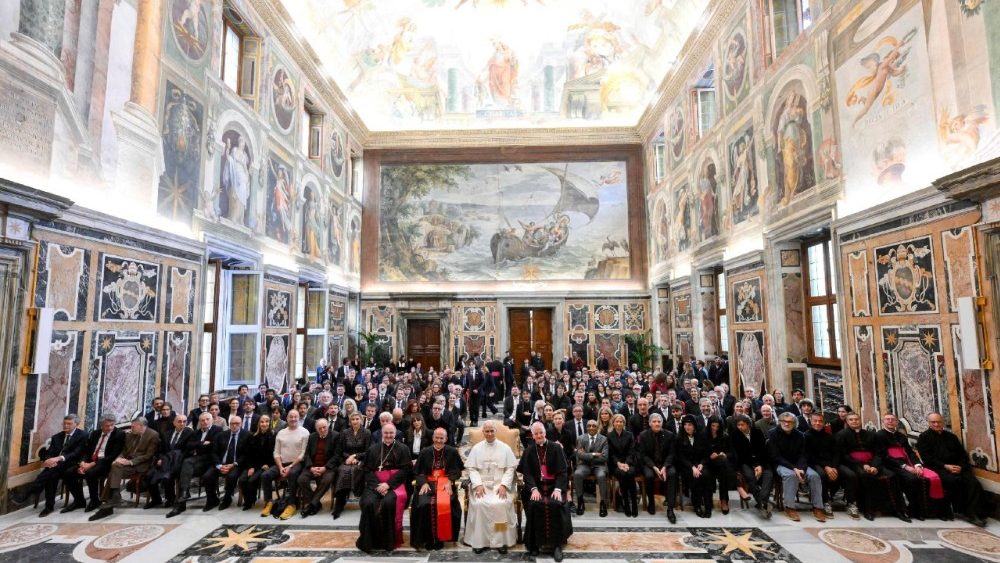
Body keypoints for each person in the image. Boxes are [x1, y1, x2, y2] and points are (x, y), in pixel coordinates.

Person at [917, 412, 987, 526]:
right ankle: (964, 511)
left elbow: (962, 455)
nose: (936, 424)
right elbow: (927, 458)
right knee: (953, 481)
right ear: (929, 423)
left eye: (938, 421)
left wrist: (960, 467)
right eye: (933, 422)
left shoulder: (951, 437)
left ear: (942, 422)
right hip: (938, 468)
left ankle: (976, 513)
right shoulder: (924, 437)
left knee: (973, 482)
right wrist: (945, 466)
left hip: (957, 467)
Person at [836, 412, 908, 522]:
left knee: (892, 476)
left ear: (860, 420)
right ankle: (868, 509)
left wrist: (875, 466)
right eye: (851, 420)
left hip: (873, 463)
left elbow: (878, 453)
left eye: (856, 419)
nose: (854, 421)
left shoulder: (870, 435)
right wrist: (861, 465)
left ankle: (898, 509)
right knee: (865, 476)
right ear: (847, 422)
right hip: (853, 464)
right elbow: (843, 455)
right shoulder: (841, 435)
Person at [519, 422, 572, 562]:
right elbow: (527, 474)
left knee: (556, 504)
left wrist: (558, 489)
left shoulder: (555, 448)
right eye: (536, 434)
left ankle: (557, 545)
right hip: (537, 486)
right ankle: (535, 544)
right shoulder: (529, 450)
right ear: (532, 435)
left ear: (545, 433)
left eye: (541, 432)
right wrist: (533, 489)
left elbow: (562, 472)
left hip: (554, 486)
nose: (539, 436)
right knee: (534, 504)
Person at [89, 417, 161, 521]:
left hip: (142, 465)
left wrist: (130, 462)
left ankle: (108, 502)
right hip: (127, 463)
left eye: (133, 426)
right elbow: (124, 450)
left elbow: (148, 455)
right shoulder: (131, 435)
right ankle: (114, 496)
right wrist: (119, 458)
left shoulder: (153, 435)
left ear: (141, 426)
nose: (131, 428)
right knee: (115, 466)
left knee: (114, 471)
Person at [356, 424, 412, 553]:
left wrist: (388, 484)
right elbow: (368, 470)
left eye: (391, 433)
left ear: (395, 434)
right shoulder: (373, 449)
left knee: (388, 503)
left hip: (394, 485)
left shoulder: (403, 449)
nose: (388, 435)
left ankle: (388, 541)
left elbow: (405, 470)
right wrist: (378, 486)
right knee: (368, 503)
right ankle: (370, 541)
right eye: (386, 433)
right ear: (382, 433)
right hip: (374, 484)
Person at [464, 420, 518, 554]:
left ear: (496, 431)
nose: (489, 434)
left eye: (491, 431)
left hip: (499, 486)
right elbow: (472, 468)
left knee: (500, 504)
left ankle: (501, 542)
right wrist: (477, 485)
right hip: (482, 486)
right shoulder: (476, 448)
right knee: (479, 504)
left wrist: (504, 485)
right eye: (486, 431)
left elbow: (510, 468)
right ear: (483, 432)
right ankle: (480, 541)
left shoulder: (505, 448)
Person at [17, 414, 87, 516]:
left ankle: (30, 493)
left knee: (51, 471)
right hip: (57, 466)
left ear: (76, 424)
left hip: (73, 464)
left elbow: (76, 453)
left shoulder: (83, 435)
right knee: (51, 474)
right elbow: (50, 452)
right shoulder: (57, 437)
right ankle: (48, 507)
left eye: (69, 424)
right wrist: (48, 460)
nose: (65, 426)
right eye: (64, 423)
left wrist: (58, 458)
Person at [410, 428, 464, 551]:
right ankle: (427, 538)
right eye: (437, 438)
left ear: (446, 439)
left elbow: (457, 471)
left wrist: (450, 481)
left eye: (441, 438)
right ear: (433, 438)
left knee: (445, 503)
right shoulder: (425, 452)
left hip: (445, 483)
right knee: (423, 504)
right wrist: (423, 483)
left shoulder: (452, 451)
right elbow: (418, 472)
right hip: (427, 484)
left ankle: (441, 538)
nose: (439, 440)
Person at [879, 413, 940, 521]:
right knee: (912, 479)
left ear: (897, 422)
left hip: (906, 463)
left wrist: (917, 465)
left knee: (922, 479)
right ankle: (905, 509)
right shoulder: (879, 435)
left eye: (893, 419)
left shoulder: (901, 436)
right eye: (887, 419)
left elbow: (910, 452)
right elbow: (884, 456)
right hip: (890, 464)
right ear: (883, 422)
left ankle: (919, 510)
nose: (890, 421)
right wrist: (905, 467)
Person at [768, 412, 825, 522]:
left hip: (798, 464)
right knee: (791, 476)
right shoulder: (772, 434)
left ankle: (817, 507)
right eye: (784, 421)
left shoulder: (800, 435)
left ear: (794, 423)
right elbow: (775, 456)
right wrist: (794, 468)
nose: (786, 423)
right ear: (779, 422)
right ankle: (790, 507)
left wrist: (801, 469)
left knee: (814, 476)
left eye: (790, 422)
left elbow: (803, 454)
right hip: (781, 464)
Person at [63, 414, 124, 513]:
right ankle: (79, 500)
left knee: (90, 473)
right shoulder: (95, 433)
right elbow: (87, 450)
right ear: (101, 425)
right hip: (90, 461)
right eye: (107, 425)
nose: (110, 428)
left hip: (105, 462)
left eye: (112, 425)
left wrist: (91, 464)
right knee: (68, 473)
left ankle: (95, 501)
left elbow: (113, 455)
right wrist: (83, 462)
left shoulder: (119, 434)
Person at [168, 412, 221, 517]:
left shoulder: (217, 430)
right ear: (199, 422)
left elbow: (213, 447)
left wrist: (198, 446)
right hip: (197, 462)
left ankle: (211, 500)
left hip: (211, 461)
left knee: (191, 465)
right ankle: (180, 504)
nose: (205, 422)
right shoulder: (195, 433)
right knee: (182, 471)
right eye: (202, 420)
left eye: (207, 419)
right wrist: (202, 443)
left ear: (212, 420)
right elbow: (189, 445)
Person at [261, 409, 310, 519]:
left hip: (297, 463)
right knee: (265, 475)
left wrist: (290, 466)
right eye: (290, 417)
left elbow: (303, 454)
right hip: (281, 464)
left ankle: (291, 504)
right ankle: (268, 502)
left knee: (292, 474)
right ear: (286, 418)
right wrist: (281, 467)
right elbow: (276, 452)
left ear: (299, 418)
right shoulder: (281, 432)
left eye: (295, 417)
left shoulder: (305, 432)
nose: (293, 419)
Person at [804, 412, 854, 519]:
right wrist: (827, 467)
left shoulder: (830, 437)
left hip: (832, 464)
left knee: (850, 475)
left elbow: (836, 453)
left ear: (824, 423)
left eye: (820, 421)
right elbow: (809, 456)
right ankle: (825, 502)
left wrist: (834, 467)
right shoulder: (806, 436)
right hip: (815, 463)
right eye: (815, 421)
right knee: (821, 475)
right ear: (810, 422)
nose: (818, 423)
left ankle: (850, 503)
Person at [202, 415, 250, 511]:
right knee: (207, 476)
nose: (235, 426)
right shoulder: (221, 435)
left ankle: (227, 498)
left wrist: (233, 464)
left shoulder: (247, 435)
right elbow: (214, 452)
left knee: (231, 477)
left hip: (236, 464)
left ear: (241, 424)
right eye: (232, 424)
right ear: (229, 424)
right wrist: (219, 465)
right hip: (220, 464)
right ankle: (212, 500)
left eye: (237, 424)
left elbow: (246, 454)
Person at [145, 413, 192, 509]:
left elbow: (188, 451)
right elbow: (160, 450)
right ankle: (156, 499)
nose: (182, 423)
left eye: (184, 422)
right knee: (149, 476)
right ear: (174, 423)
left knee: (167, 476)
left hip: (179, 462)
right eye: (179, 421)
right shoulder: (167, 434)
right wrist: (160, 459)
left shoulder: (189, 434)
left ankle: (170, 499)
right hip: (164, 461)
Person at [731, 414, 773, 519]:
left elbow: (763, 451)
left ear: (748, 425)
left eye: (742, 425)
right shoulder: (735, 435)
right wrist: (753, 466)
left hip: (760, 462)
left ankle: (762, 502)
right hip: (745, 462)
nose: (740, 427)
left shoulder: (757, 432)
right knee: (750, 476)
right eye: (738, 425)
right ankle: (762, 502)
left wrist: (759, 465)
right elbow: (738, 455)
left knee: (769, 475)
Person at [637, 413, 678, 522]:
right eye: (654, 422)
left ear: (662, 423)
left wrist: (664, 467)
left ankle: (670, 508)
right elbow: (643, 455)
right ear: (650, 423)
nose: (657, 424)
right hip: (650, 464)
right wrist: (654, 467)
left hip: (665, 464)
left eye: (659, 422)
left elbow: (671, 454)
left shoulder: (669, 435)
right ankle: (651, 502)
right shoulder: (643, 435)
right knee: (649, 476)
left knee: (672, 473)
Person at [297, 418, 341, 517]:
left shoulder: (336, 436)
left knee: (326, 480)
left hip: (328, 467)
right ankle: (316, 504)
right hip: (313, 466)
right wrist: (311, 467)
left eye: (324, 427)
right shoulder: (312, 436)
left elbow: (337, 455)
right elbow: (307, 454)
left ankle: (311, 505)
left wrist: (324, 468)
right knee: (301, 479)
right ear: (316, 429)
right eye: (319, 428)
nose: (322, 430)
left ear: (328, 426)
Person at [333, 412, 372, 518]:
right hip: (346, 460)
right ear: (350, 421)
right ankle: (340, 503)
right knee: (342, 471)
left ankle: (360, 498)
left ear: (361, 420)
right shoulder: (345, 432)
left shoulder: (367, 432)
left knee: (357, 470)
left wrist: (355, 456)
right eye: (353, 419)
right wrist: (348, 458)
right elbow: (341, 450)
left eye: (357, 419)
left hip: (361, 461)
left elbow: (368, 450)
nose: (355, 421)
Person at [676, 414, 713, 518]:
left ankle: (708, 506)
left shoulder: (701, 436)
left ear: (695, 426)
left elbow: (707, 453)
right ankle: (697, 505)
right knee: (695, 477)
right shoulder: (679, 438)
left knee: (706, 476)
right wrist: (692, 467)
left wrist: (701, 464)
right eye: (685, 424)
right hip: (686, 466)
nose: (687, 427)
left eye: (690, 425)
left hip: (700, 464)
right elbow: (681, 457)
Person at [238, 415, 275, 510]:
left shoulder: (273, 436)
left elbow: (274, 454)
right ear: (258, 423)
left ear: (269, 423)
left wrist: (268, 465)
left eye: (267, 421)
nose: (264, 424)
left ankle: (250, 501)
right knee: (242, 480)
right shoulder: (252, 436)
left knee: (251, 480)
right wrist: (251, 467)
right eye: (262, 422)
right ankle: (248, 500)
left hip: (265, 465)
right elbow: (248, 454)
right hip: (252, 464)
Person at [573, 419, 609, 517]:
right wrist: (594, 454)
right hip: (584, 465)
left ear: (597, 427)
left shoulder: (604, 439)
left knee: (601, 475)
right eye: (589, 426)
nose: (591, 428)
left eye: (594, 426)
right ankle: (580, 502)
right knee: (577, 474)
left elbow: (604, 457)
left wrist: (586, 456)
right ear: (586, 427)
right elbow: (579, 455)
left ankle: (603, 503)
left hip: (599, 466)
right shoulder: (581, 438)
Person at [607, 413, 639, 517]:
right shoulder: (609, 436)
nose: (619, 423)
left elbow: (632, 451)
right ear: (613, 423)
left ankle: (634, 503)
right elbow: (611, 454)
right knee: (622, 474)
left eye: (621, 421)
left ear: (624, 423)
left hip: (629, 462)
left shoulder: (629, 434)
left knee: (630, 473)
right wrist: (619, 464)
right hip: (615, 464)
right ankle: (625, 502)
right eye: (617, 421)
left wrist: (627, 463)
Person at [706, 415, 736, 515]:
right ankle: (709, 500)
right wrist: (710, 456)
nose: (715, 428)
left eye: (717, 427)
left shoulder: (725, 436)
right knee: (721, 469)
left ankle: (724, 500)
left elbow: (732, 453)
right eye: (713, 426)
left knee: (723, 468)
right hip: (707, 463)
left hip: (721, 464)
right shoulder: (703, 435)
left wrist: (725, 454)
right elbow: (699, 452)